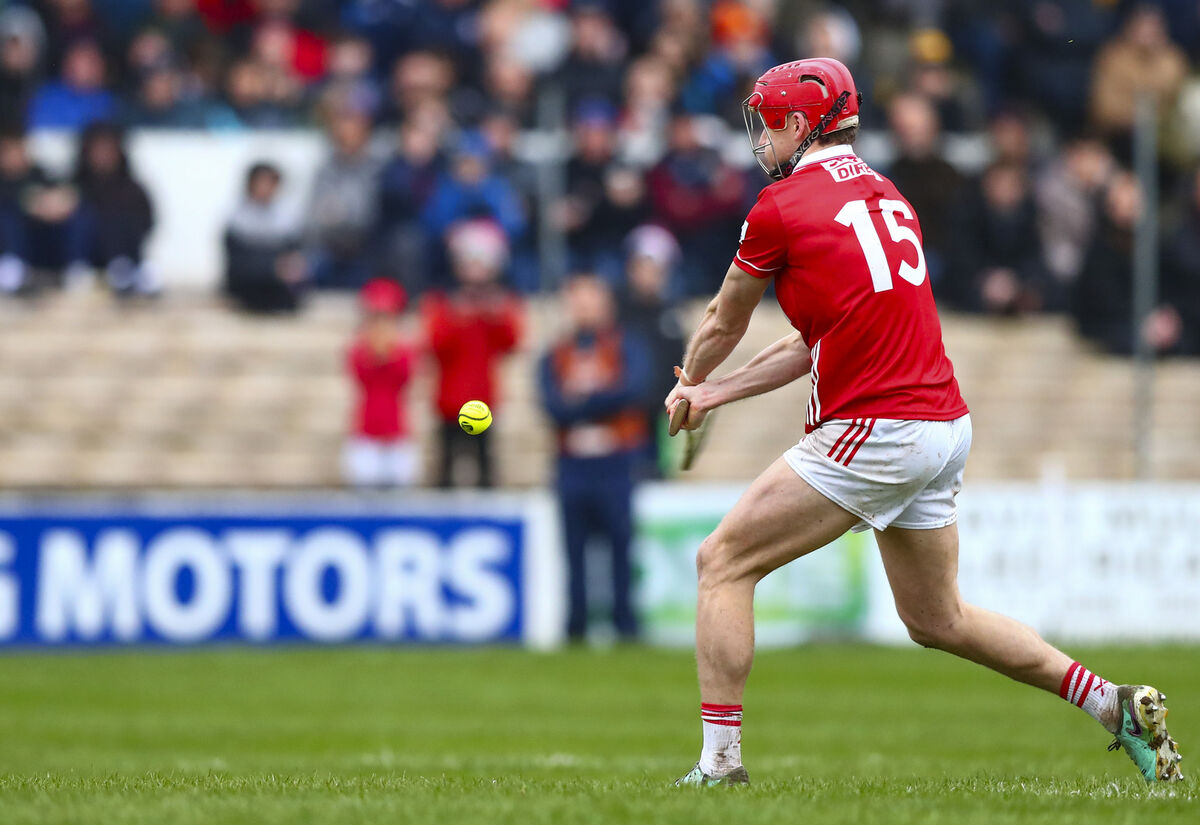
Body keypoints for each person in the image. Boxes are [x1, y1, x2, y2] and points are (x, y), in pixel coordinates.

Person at [666, 57, 1182, 787]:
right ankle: (1113, 702)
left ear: (802, 123)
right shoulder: (888, 194)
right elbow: (814, 342)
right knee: (937, 618)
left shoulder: (778, 208)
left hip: (875, 428)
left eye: (771, 124)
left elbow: (722, 319)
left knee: (721, 561)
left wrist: (691, 378)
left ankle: (719, 766)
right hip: (940, 425)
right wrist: (718, 396)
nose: (763, 140)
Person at [539, 273, 650, 642]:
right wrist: (602, 401)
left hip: (615, 462)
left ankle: (625, 626)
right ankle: (576, 628)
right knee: (574, 551)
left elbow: (634, 391)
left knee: (622, 547)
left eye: (591, 299)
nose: (584, 307)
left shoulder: (625, 345)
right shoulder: (555, 354)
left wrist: (583, 403)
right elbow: (553, 407)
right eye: (578, 299)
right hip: (573, 465)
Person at [422, 218, 522, 488]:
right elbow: (433, 345)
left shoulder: (499, 303)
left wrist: (495, 315)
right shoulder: (444, 302)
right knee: (446, 466)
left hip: (482, 399)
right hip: (449, 399)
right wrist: (457, 318)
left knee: (485, 465)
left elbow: (512, 343)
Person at [343, 278, 419, 488]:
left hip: (396, 431)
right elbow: (360, 376)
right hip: (366, 430)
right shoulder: (358, 350)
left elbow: (405, 376)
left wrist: (390, 352)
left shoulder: (405, 350)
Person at [223, 161, 307, 313]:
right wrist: (271, 268)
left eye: (271, 183)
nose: (266, 188)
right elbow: (237, 266)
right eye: (261, 182)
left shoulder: (287, 220)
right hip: (247, 291)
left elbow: (295, 261)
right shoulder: (237, 221)